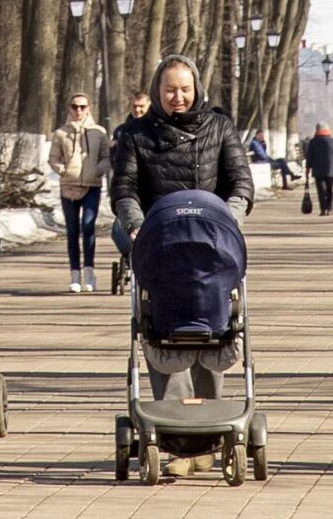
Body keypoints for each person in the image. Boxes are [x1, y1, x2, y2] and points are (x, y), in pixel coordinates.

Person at [109, 55, 254, 409]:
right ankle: (174, 425)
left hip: (211, 248)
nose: (178, 97)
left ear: (197, 89)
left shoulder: (219, 128)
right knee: (162, 330)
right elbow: (124, 188)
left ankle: (209, 416)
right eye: (170, 89)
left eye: (185, 89)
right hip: (159, 245)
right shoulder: (135, 135)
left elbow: (241, 182)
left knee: (213, 330)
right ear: (158, 91)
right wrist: (135, 225)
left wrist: (229, 217)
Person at [51, 93, 113, 293]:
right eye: (75, 106)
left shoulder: (99, 132)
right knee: (72, 231)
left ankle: (89, 272)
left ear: (89, 108)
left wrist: (98, 169)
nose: (79, 110)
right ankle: (74, 274)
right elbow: (53, 158)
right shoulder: (61, 133)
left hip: (92, 186)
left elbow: (107, 156)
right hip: (68, 187)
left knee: (88, 227)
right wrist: (62, 169)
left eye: (82, 107)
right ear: (69, 108)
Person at [303, 125, 333, 216]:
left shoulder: (313, 142)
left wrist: (307, 169)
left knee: (321, 191)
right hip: (331, 171)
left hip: (318, 171)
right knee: (330, 190)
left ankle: (323, 209)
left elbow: (309, 157)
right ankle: (330, 208)